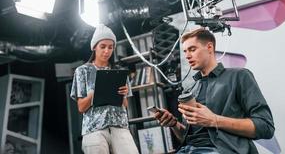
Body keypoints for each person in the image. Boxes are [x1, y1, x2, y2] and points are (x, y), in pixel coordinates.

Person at [154, 28, 274, 154]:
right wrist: (174, 124)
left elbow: (265, 127)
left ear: (209, 47)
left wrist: (214, 120)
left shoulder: (239, 76)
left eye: (192, 49)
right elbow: (191, 138)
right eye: (185, 51)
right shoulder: (191, 90)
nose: (187, 56)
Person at [70, 24, 139, 154]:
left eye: (110, 47)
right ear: (94, 47)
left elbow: (125, 105)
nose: (107, 51)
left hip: (120, 127)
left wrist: (123, 95)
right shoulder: (82, 71)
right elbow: (81, 107)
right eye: (103, 46)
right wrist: (94, 93)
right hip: (94, 130)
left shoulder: (119, 72)